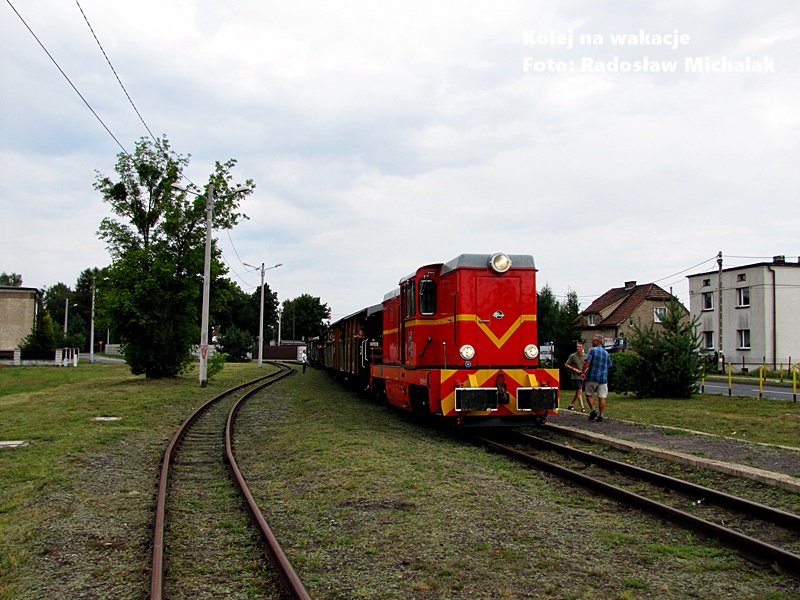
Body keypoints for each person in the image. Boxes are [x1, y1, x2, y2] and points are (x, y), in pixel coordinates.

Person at [581, 335, 612, 422]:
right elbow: (609, 365)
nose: (592, 342)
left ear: (598, 342)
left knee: (588, 393)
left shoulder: (592, 350)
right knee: (602, 397)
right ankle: (601, 415)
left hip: (592, 376)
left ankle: (593, 410)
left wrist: (583, 372)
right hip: (603, 378)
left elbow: (587, 361)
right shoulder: (606, 353)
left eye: (593, 340)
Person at [564, 342, 586, 412]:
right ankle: (582, 407)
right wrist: (573, 369)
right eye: (577, 347)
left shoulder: (585, 356)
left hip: (582, 376)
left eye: (580, 347)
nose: (578, 348)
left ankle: (571, 404)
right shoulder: (573, 356)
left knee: (577, 391)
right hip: (575, 376)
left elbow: (588, 365)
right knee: (579, 391)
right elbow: (567, 364)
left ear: (582, 348)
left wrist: (584, 372)